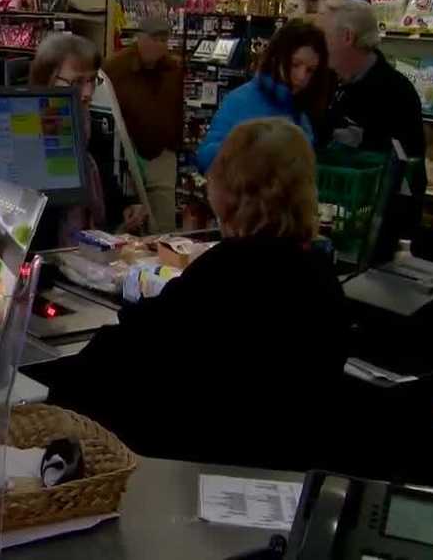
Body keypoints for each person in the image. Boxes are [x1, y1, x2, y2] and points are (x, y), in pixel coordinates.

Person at [45, 118, 348, 470]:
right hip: (284, 467)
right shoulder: (322, 276)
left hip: (197, 468)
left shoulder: (229, 270)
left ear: (231, 188)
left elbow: (134, 348)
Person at [29, 33, 144, 246]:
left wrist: (126, 206)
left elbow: (103, 174)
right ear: (47, 79)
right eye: (77, 81)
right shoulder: (27, 131)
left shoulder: (89, 125)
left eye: (92, 80)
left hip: (92, 257)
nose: (88, 92)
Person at [197, 19, 331, 173]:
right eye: (295, 64)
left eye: (310, 70)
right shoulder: (241, 100)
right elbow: (206, 158)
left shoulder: (303, 111)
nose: (301, 76)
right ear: (277, 58)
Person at [101, 14, 184, 233]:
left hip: (162, 157)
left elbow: (177, 109)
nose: (159, 45)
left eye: (163, 40)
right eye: (154, 39)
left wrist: (175, 145)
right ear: (139, 38)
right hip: (129, 156)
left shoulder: (172, 70)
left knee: (164, 225)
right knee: (132, 224)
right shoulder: (115, 69)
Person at [318, 0, 425, 158]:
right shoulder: (328, 79)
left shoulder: (395, 93)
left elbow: (408, 164)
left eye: (324, 36)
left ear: (347, 37)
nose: (319, 45)